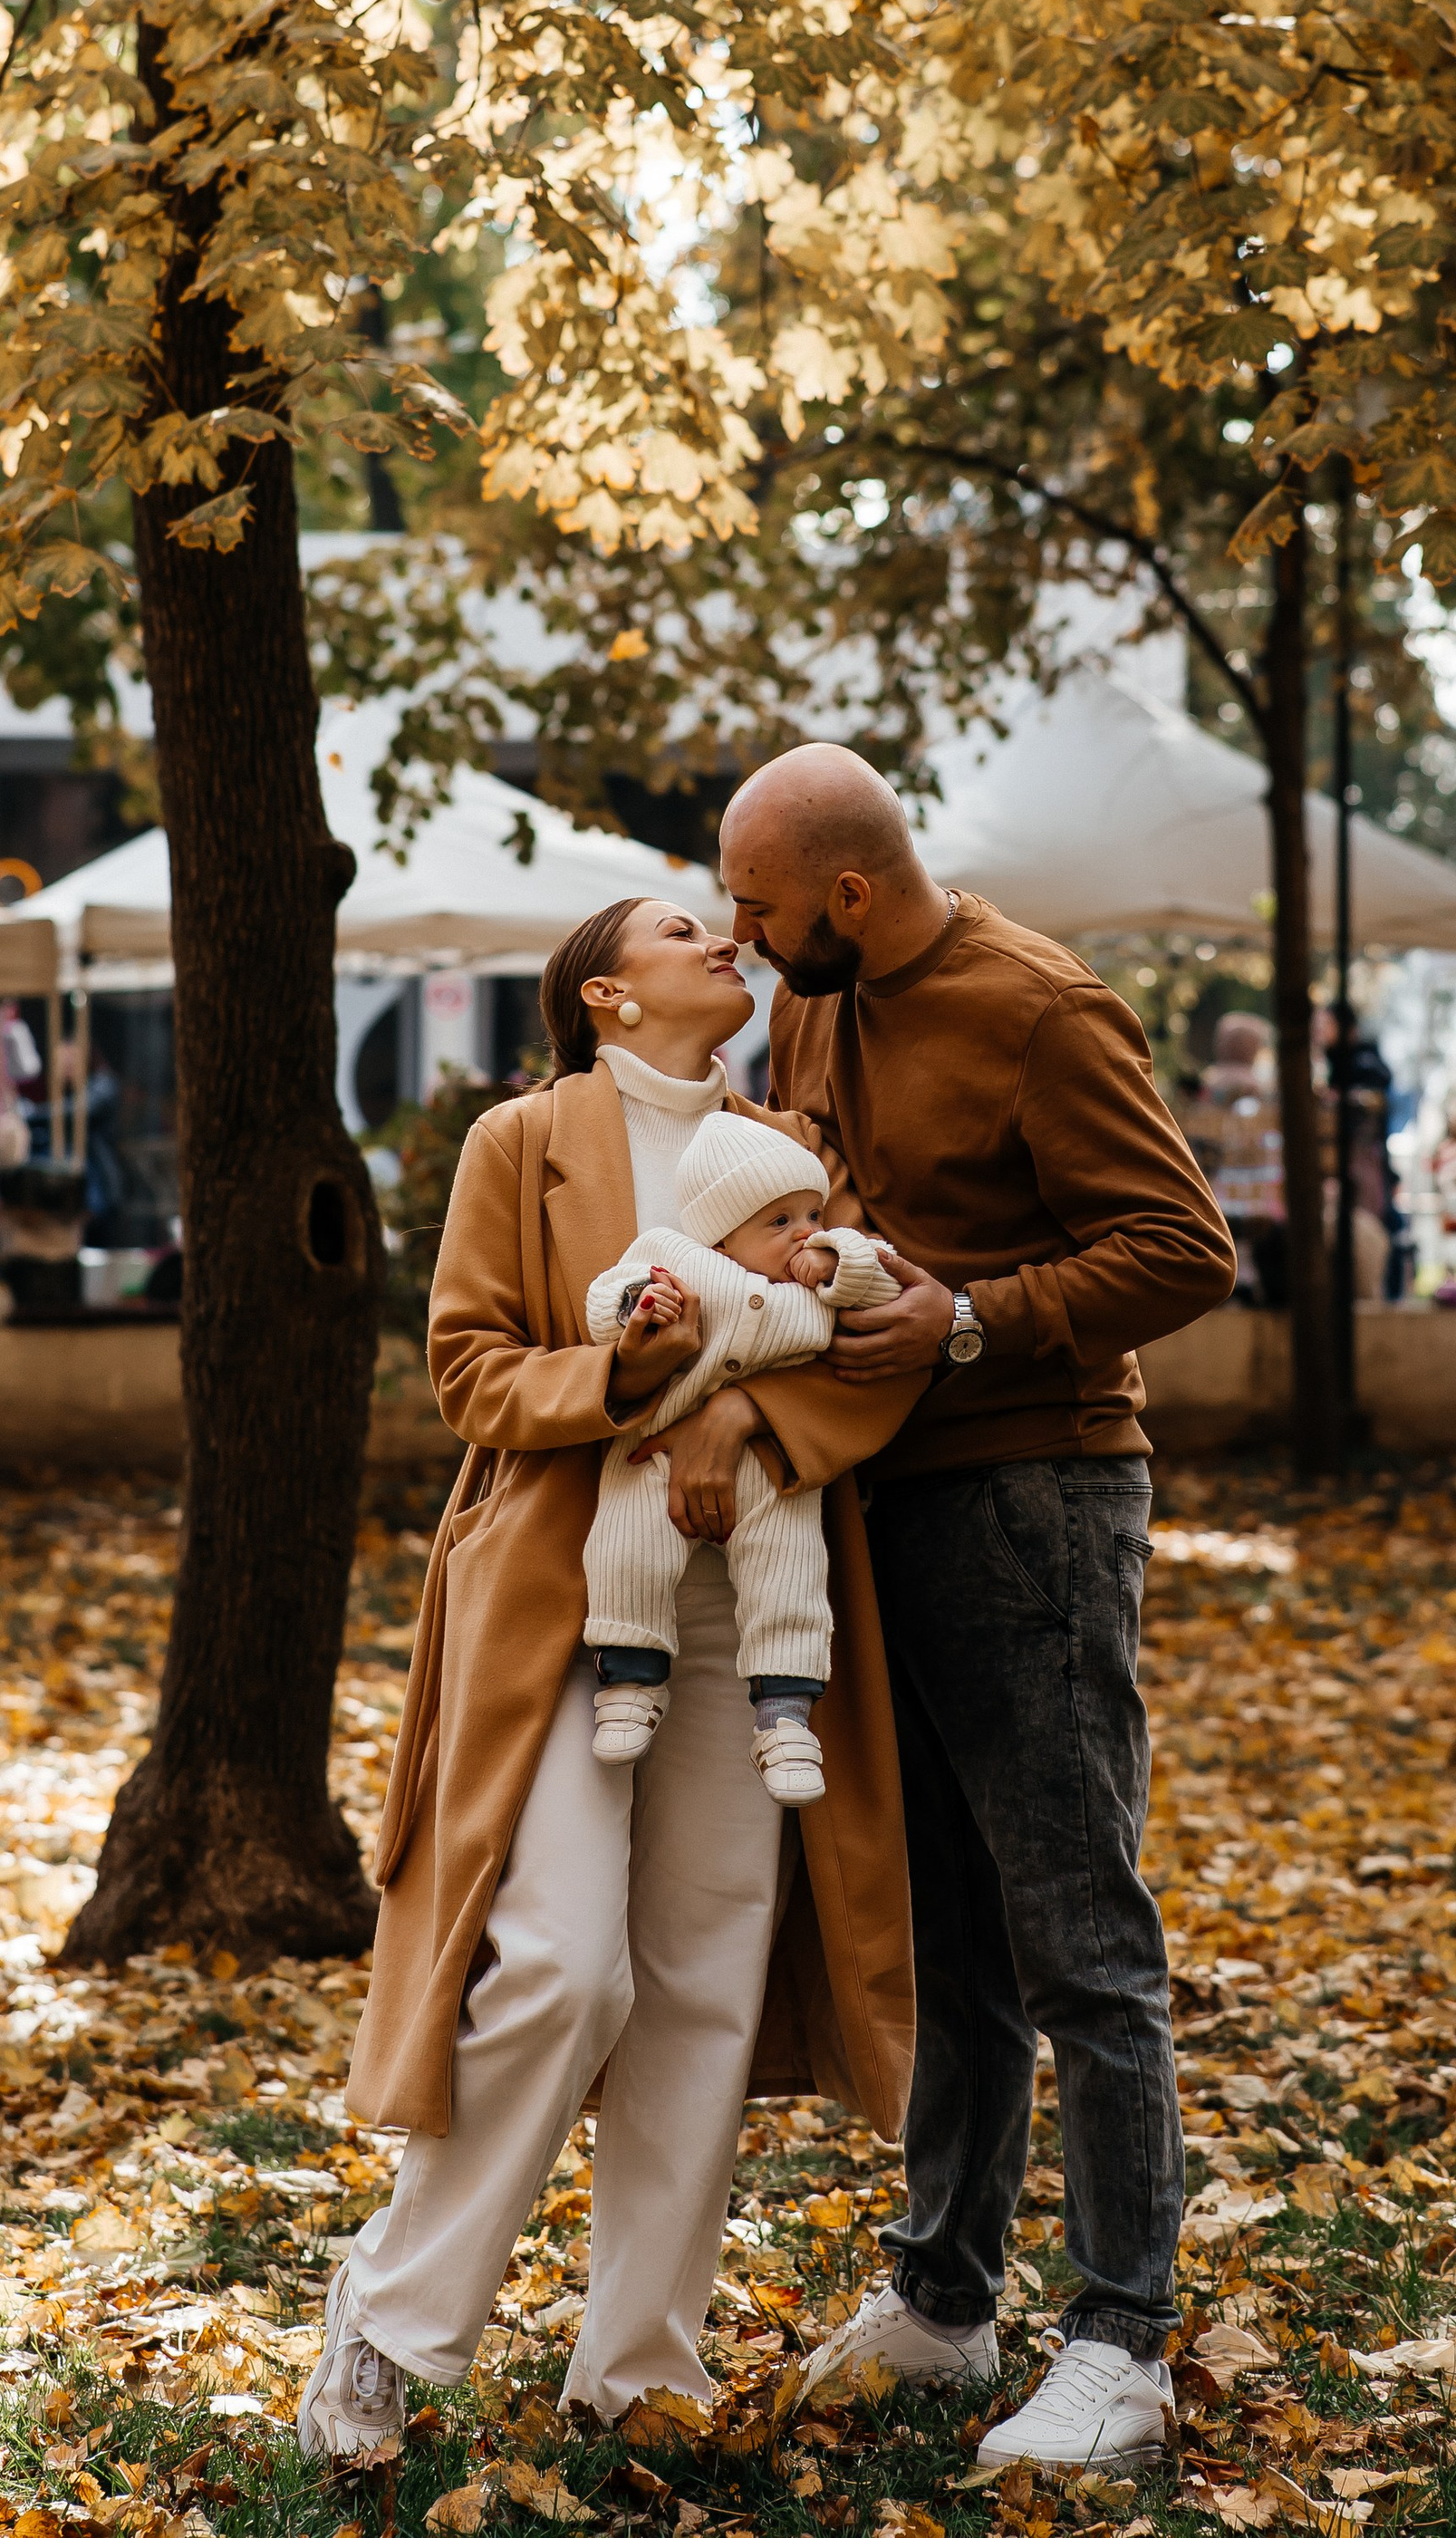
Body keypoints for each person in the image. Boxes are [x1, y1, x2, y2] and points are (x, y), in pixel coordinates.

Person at [299, 891, 924, 2465]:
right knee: (567, 1968)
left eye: (719, 919)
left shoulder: (792, 1139)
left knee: (706, 1979)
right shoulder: (523, 1143)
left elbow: (860, 1347)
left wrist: (746, 1423)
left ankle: (642, 2360)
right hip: (564, 1600)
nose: (721, 933)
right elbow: (468, 1369)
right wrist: (635, 1376)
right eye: (673, 926)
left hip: (760, 1610)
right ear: (601, 996)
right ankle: (389, 2311)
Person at [720, 744, 1239, 2479]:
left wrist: (965, 1322)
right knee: (943, 1930)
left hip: (1035, 1500)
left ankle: (1123, 2342)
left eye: (762, 905)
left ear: (850, 894)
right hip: (871, 1503)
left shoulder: (1042, 1008)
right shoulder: (818, 997)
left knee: (1076, 1931)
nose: (744, 935)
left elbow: (1183, 1250)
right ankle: (946, 2301)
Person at [583, 1110, 900, 1799]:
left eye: (812, 1213)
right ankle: (631, 1679)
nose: (804, 1232)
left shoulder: (816, 1283)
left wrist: (839, 1260)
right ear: (723, 1234)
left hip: (771, 1468)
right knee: (628, 1548)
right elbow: (605, 1296)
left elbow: (886, 1279)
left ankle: (785, 1715)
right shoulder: (679, 1254)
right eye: (779, 1222)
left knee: (790, 1572)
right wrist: (642, 1301)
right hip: (656, 1455)